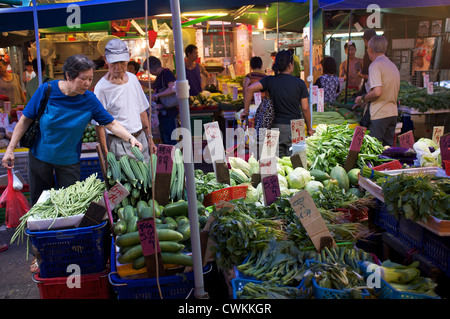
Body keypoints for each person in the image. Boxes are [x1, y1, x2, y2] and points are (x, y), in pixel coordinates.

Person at [1, 54, 143, 205]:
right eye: (83, 78)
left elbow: (111, 124)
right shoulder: (47, 91)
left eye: (90, 78)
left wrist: (130, 138)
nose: (88, 83)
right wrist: (10, 149)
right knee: (40, 205)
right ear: (68, 76)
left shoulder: (89, 100)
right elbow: (24, 120)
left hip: (69, 162)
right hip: (40, 158)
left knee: (69, 204)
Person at [94, 38, 156, 163]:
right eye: (113, 63)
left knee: (148, 179)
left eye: (122, 62)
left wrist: (150, 138)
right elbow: (99, 125)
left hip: (141, 139)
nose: (118, 67)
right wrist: (106, 154)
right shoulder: (101, 88)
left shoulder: (133, 79)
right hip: (119, 144)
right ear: (105, 60)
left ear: (129, 58)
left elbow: (142, 111)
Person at [242, 50, 313, 157]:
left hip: (274, 126)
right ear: (290, 65)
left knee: (274, 164)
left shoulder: (270, 80)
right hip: (296, 127)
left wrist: (246, 112)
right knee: (297, 165)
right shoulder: (300, 83)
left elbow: (249, 89)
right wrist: (310, 128)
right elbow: (305, 108)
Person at [354, 36, 400, 146]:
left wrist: (362, 98)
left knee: (374, 151)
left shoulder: (375, 65)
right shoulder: (392, 65)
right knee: (388, 151)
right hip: (392, 114)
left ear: (369, 49)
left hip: (379, 115)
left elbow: (377, 92)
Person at [146, 56, 179, 146]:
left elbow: (172, 88)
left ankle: (173, 158)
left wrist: (157, 95)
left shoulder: (166, 73)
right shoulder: (160, 75)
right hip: (163, 112)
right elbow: (154, 86)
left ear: (153, 67)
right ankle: (168, 158)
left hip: (168, 112)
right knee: (165, 138)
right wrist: (140, 82)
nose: (150, 73)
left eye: (149, 70)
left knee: (169, 138)